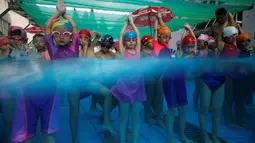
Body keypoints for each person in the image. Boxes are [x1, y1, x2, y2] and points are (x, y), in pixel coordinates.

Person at [43, 1, 115, 143]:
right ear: (52, 37)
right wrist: (58, 13)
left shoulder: (74, 46)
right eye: (57, 33)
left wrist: (66, 15)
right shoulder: (53, 48)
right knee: (74, 113)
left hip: (81, 80)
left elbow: (75, 27)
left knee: (107, 93)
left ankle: (106, 121)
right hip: (70, 84)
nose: (62, 36)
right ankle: (75, 139)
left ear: (71, 37)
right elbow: (47, 27)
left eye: (66, 33)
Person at [110, 15, 146, 143]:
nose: (131, 41)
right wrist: (126, 23)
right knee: (124, 118)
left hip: (138, 87)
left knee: (136, 118)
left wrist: (133, 23)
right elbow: (120, 35)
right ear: (124, 42)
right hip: (124, 87)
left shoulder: (137, 51)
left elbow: (138, 33)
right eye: (128, 40)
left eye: (133, 39)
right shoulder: (123, 51)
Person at [161, 23, 194, 143]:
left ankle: (182, 135)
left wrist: (189, 31)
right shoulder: (180, 53)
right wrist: (188, 31)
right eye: (187, 46)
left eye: (191, 46)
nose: (189, 48)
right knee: (172, 110)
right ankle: (169, 138)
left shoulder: (191, 54)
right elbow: (182, 42)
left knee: (184, 109)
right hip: (169, 81)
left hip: (180, 81)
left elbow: (189, 42)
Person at [141, 35, 165, 127]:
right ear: (145, 44)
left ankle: (158, 117)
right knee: (149, 96)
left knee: (159, 96)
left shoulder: (155, 51)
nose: (153, 43)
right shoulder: (142, 53)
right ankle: (148, 117)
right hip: (149, 75)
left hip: (158, 75)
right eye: (151, 42)